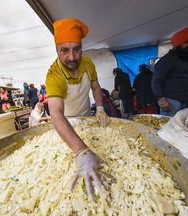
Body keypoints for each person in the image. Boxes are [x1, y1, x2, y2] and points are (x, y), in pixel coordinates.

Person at [45, 17, 110, 201]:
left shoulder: (88, 64)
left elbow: (96, 87)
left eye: (77, 49)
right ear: (56, 49)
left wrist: (99, 108)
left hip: (87, 117)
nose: (72, 57)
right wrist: (81, 150)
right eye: (64, 50)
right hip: (65, 125)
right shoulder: (53, 76)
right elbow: (55, 113)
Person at [151, 26, 188, 117]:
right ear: (177, 44)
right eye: (187, 42)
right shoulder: (167, 60)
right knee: (169, 128)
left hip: (184, 101)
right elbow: (156, 82)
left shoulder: (186, 60)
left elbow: (186, 78)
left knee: (179, 128)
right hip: (170, 102)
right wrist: (162, 100)